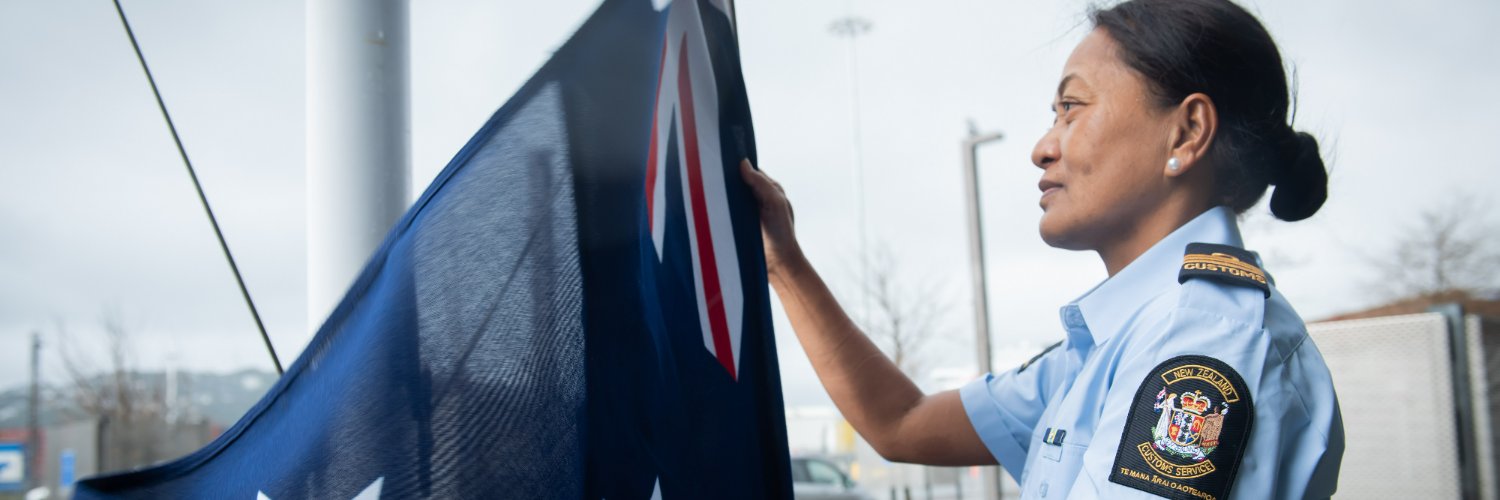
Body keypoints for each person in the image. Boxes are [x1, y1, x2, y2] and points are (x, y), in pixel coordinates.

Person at [737, 0, 1344, 498]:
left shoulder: (1202, 341)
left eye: (1071, 109)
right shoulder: (1122, 339)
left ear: (1185, 133)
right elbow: (903, 423)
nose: (1042, 148)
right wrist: (785, 264)